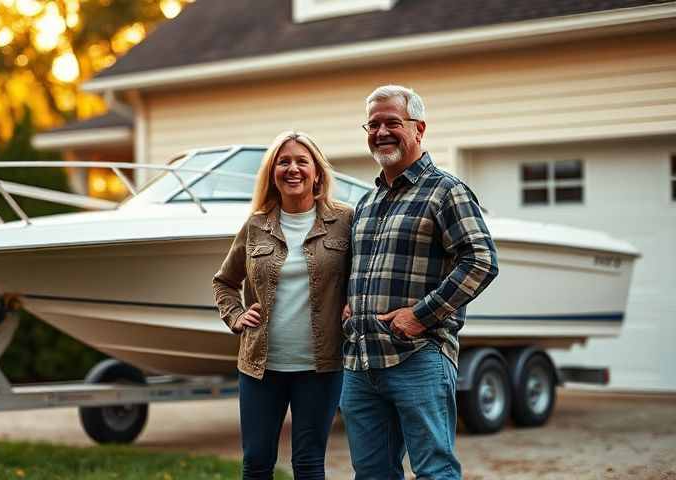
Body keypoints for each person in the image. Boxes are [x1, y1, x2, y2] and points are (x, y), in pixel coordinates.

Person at [340, 85, 499, 480]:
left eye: (392, 122)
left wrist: (420, 315)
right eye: (373, 124)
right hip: (361, 363)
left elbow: (481, 260)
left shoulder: (447, 191)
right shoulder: (367, 201)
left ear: (418, 129)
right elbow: (360, 266)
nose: (381, 132)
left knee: (434, 472)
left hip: (418, 357)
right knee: (372, 473)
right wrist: (348, 304)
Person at [212, 131, 353, 480]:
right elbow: (224, 281)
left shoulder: (345, 221)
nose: (293, 169)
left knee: (307, 464)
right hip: (260, 368)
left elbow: (361, 274)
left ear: (317, 172)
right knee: (257, 463)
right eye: (283, 161)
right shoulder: (256, 225)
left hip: (320, 368)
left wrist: (353, 303)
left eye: (302, 161)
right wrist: (235, 315)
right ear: (272, 172)